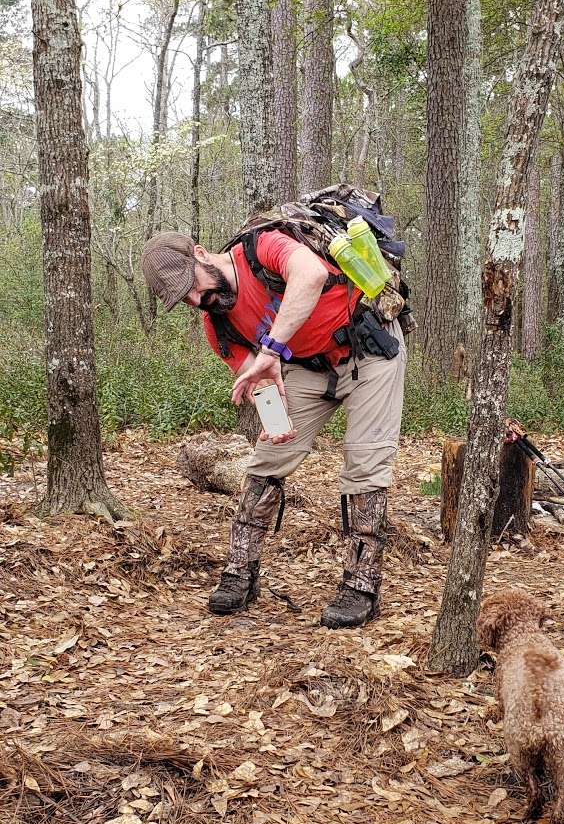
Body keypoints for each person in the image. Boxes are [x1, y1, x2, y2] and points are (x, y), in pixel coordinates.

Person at [141, 225, 407, 628]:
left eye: (191, 285)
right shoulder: (220, 327)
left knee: (365, 464)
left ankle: (361, 584)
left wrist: (272, 347)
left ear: (201, 253)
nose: (197, 300)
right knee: (266, 463)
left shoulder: (261, 247)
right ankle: (240, 571)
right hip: (306, 366)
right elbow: (262, 380)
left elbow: (311, 274)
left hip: (370, 349)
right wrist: (276, 424)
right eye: (185, 299)